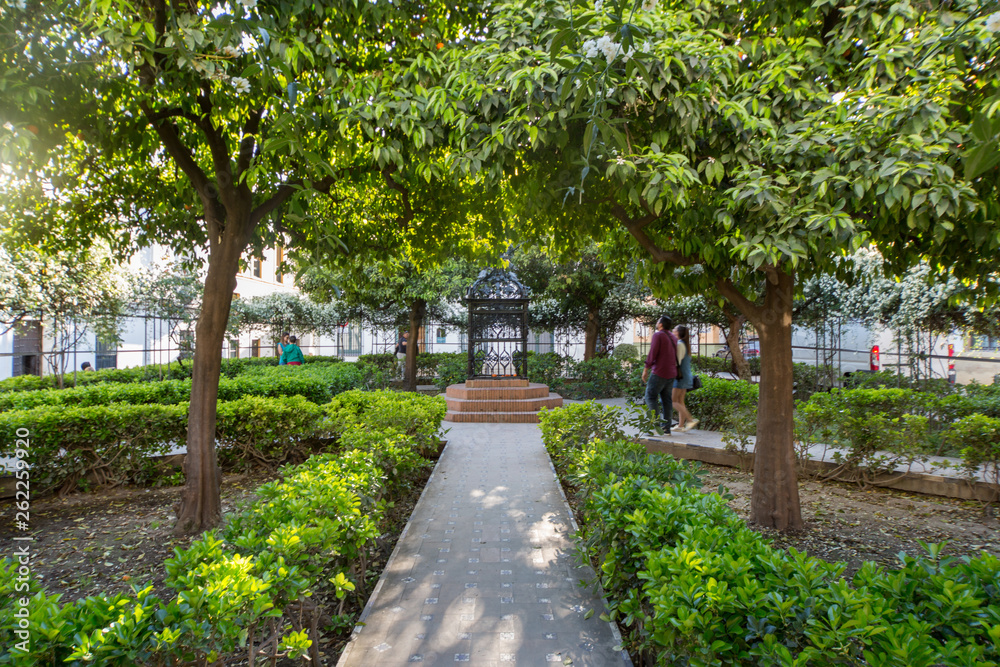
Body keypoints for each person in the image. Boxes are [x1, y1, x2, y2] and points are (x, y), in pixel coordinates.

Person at [641, 315, 679, 435]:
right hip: (671, 372)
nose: (656, 323)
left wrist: (646, 368)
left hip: (660, 372)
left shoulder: (658, 335)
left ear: (661, 324)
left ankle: (655, 426)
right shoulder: (673, 337)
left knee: (650, 397)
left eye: (658, 321)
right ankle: (666, 428)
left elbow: (653, 353)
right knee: (666, 400)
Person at [672, 325, 698, 432]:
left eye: (674, 329)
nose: (673, 330)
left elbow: (675, 362)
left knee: (673, 401)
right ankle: (681, 425)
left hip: (680, 377)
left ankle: (690, 419)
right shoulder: (685, 344)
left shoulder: (679, 344)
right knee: (680, 401)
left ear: (678, 333)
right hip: (685, 376)